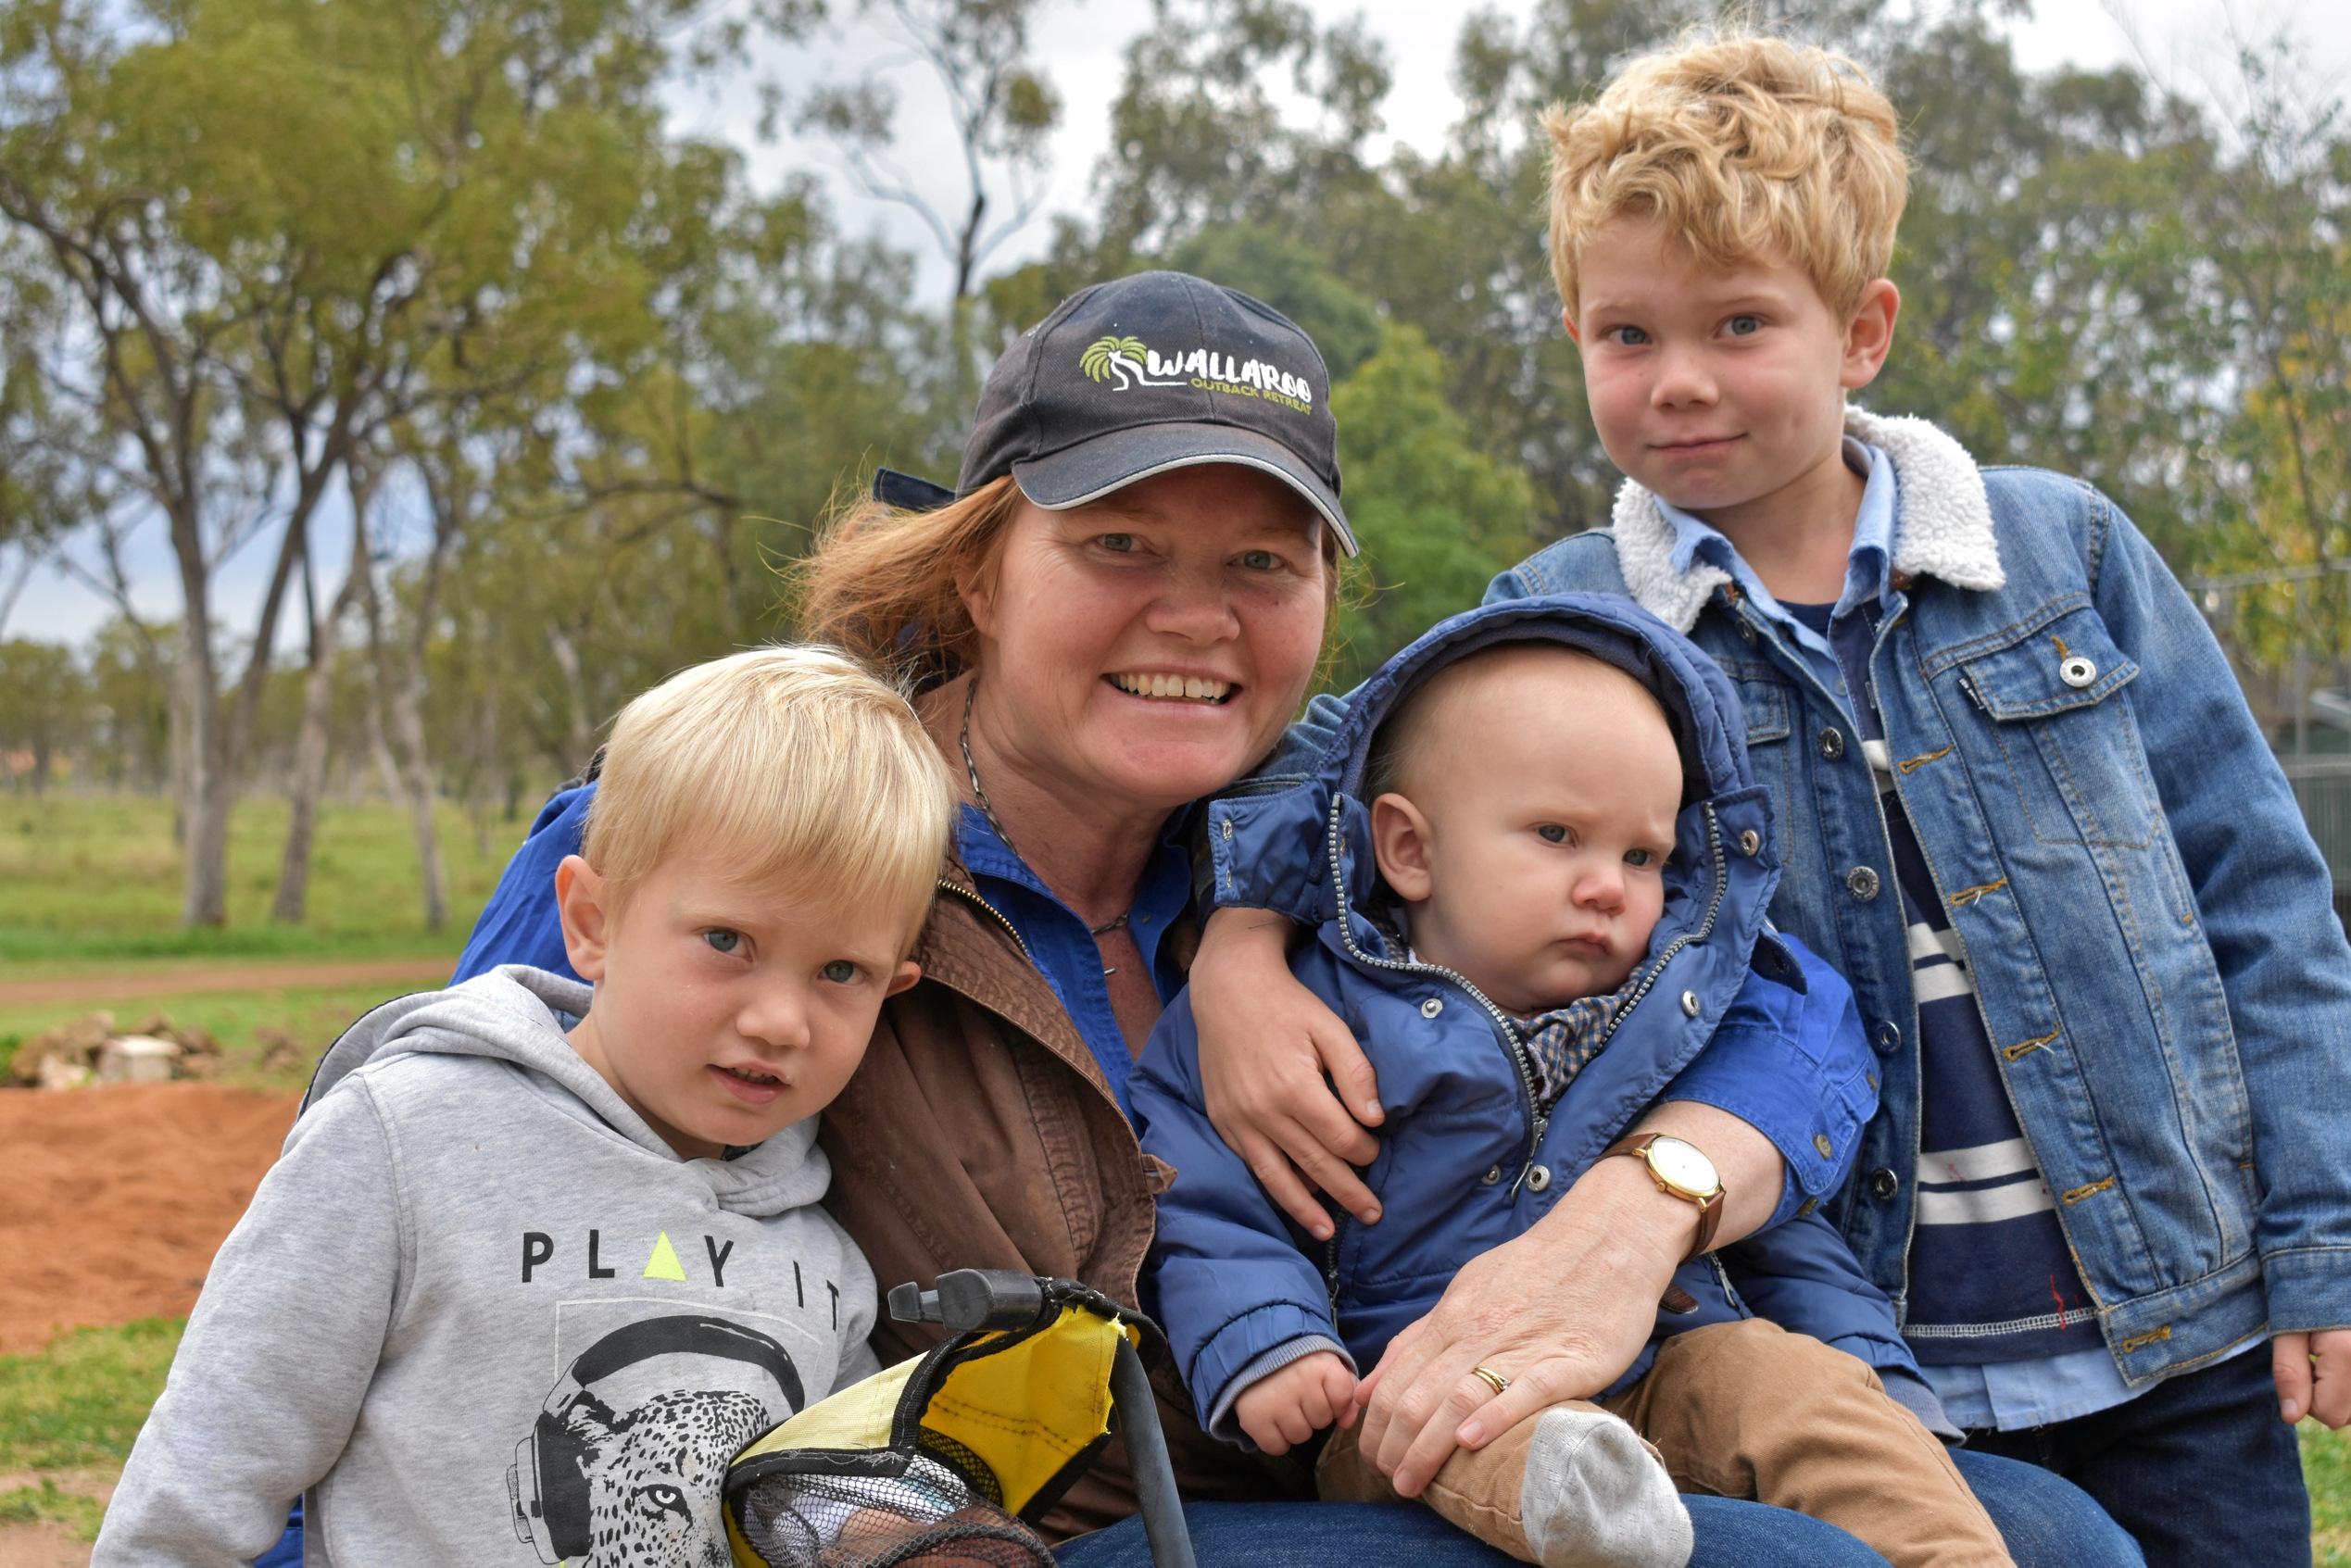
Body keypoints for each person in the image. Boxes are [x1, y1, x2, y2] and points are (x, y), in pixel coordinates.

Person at [431, 269, 2136, 1568]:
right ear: (976, 567)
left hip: (1422, 1417)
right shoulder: (741, 833)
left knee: (2065, 1537)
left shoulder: (1351, 826)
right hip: (1030, 1514)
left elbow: (1771, 992)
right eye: (1118, 541)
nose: (1196, 616)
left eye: (1265, 562)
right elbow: (417, 1204)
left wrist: (1641, 1200)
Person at [1187, 31, 2351, 1567]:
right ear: (1571, 334)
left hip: (2171, 1316)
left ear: (1859, 330)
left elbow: (2261, 903)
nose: (1675, 382)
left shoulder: (2061, 554)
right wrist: (1235, 948)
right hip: (1863, 1336)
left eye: (1738, 324)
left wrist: (2319, 1241)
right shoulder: (1563, 617)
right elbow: (1317, 769)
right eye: (1623, 334)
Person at [1135, 601, 2014, 1568]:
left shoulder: (1670, 1016)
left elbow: (1778, 1233)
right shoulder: (1309, 1015)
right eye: (1558, 834)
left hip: (1664, 1356)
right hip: (1404, 1377)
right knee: (1462, 1430)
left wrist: (1863, 1367)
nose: (1610, 885)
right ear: (1410, 850)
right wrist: (1269, 1339)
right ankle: (1588, 1513)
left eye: (1644, 856)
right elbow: (1201, 1189)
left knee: (1784, 1380)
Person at [94, 646, 955, 1565]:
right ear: (591, 922)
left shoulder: (825, 1250)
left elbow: (829, 1509)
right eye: (726, 939)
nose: (782, 1019)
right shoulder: (406, 1139)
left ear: (893, 986)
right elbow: (204, 1474)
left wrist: (905, 1526)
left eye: (840, 971)